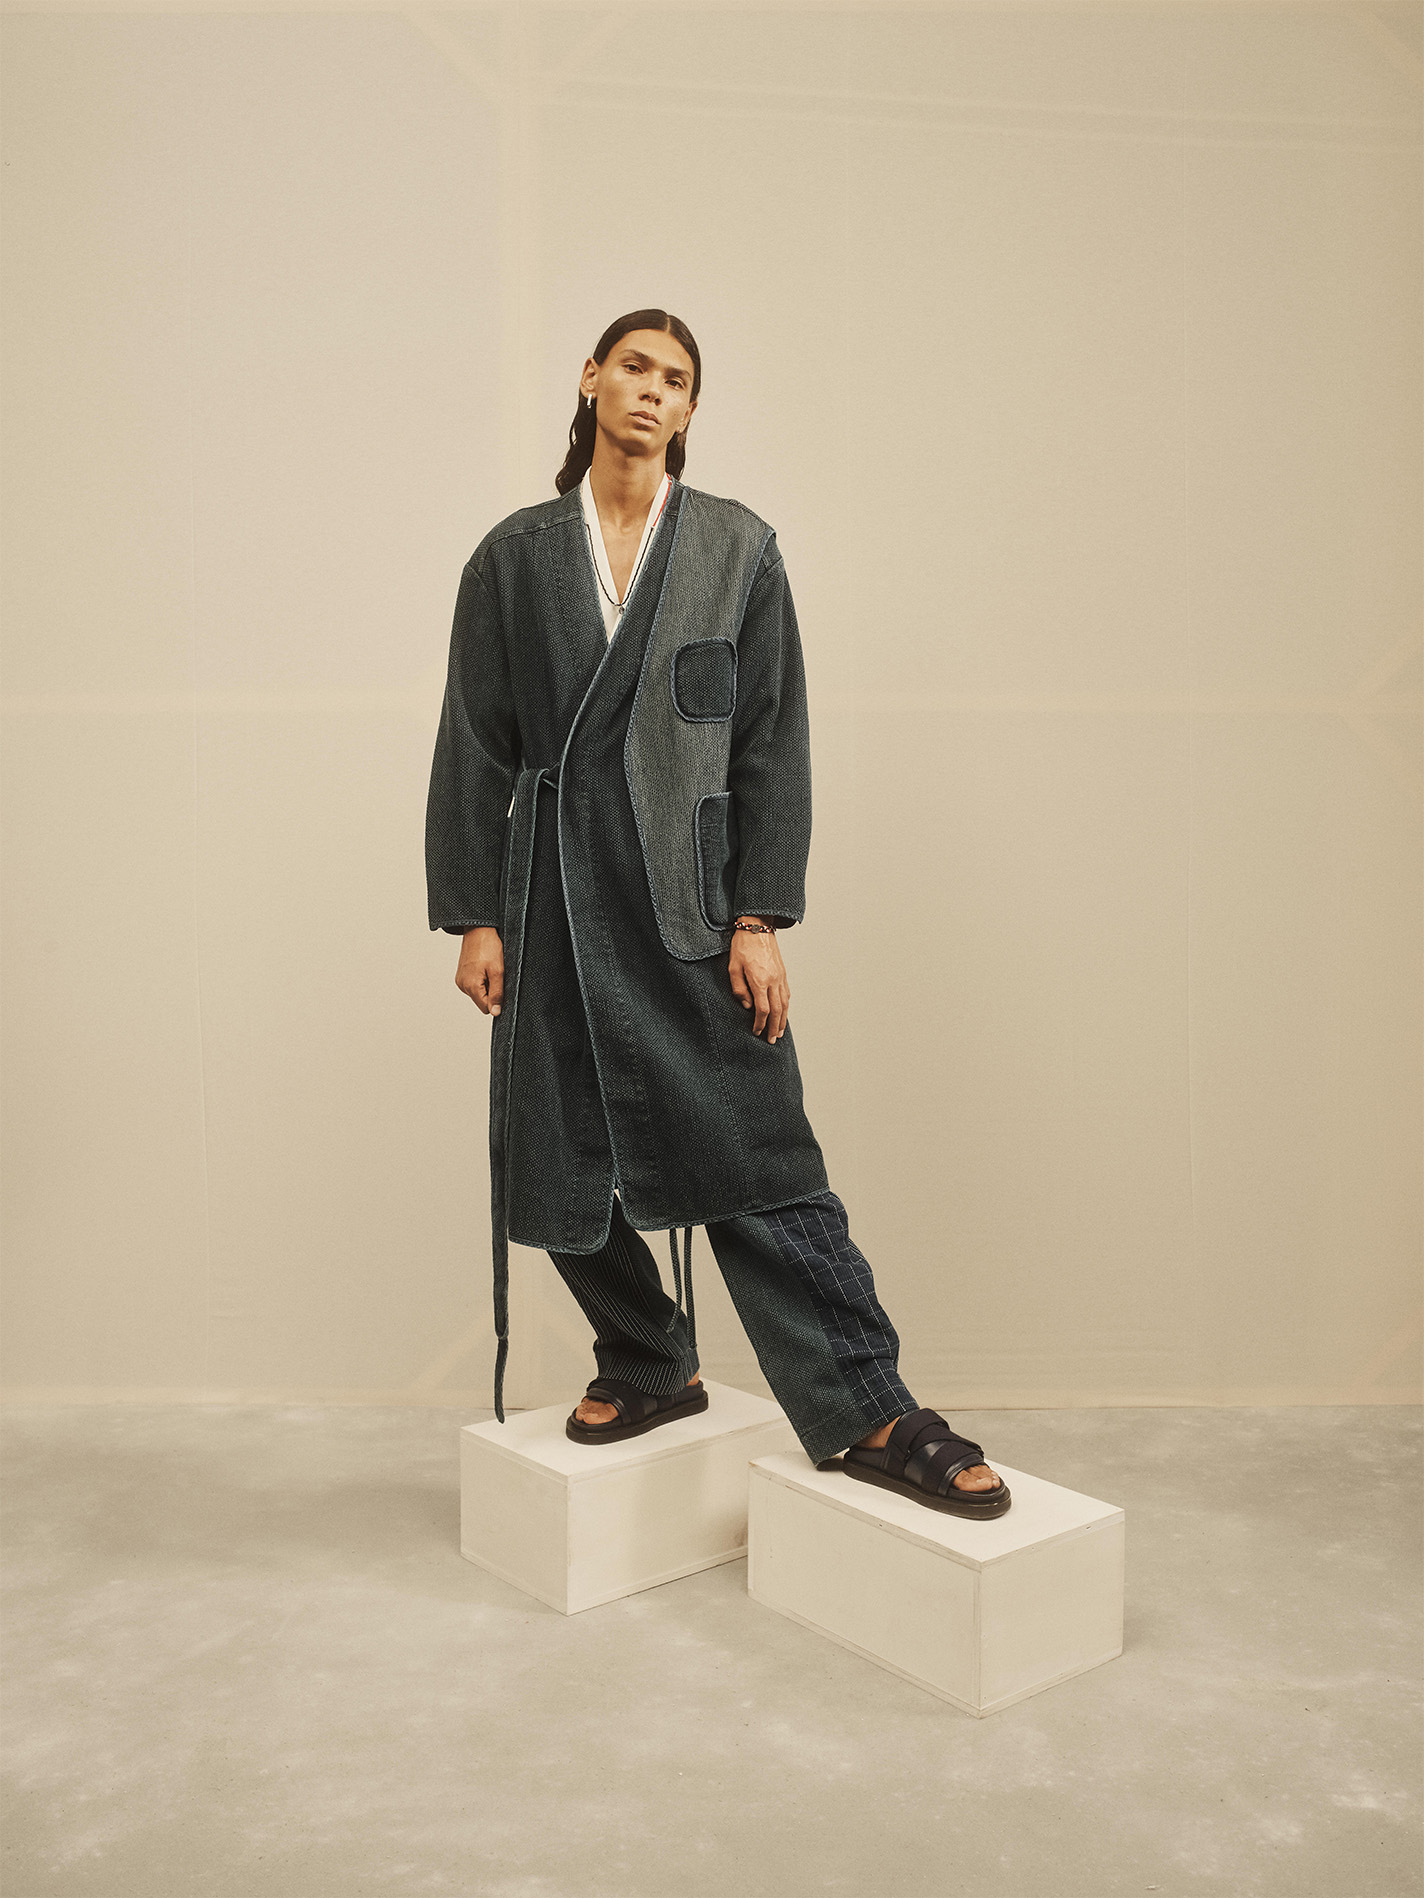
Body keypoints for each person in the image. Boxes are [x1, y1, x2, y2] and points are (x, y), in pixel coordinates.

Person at [425, 308, 1009, 1519]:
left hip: (686, 904)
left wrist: (757, 916)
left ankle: (870, 1406)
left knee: (750, 1154)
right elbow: (475, 740)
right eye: (633, 366)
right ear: (591, 379)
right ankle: (648, 1357)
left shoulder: (737, 548)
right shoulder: (511, 557)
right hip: (551, 899)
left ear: (690, 410)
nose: (651, 389)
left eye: (676, 378)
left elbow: (767, 742)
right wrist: (477, 911)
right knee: (553, 1154)